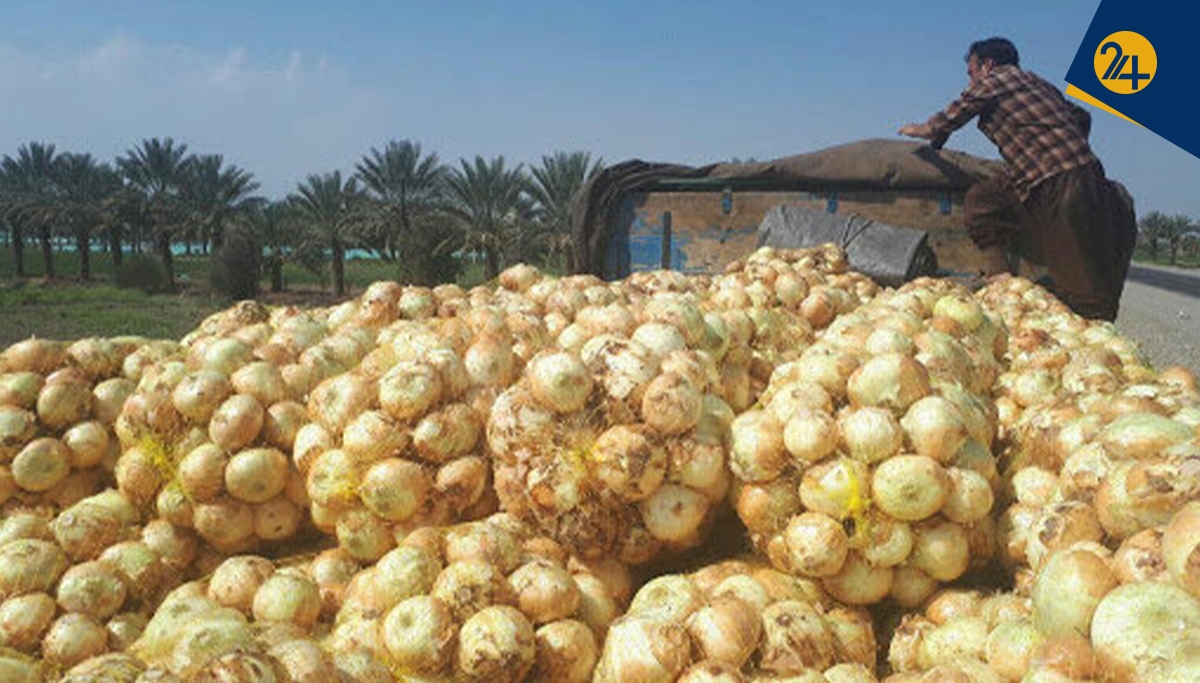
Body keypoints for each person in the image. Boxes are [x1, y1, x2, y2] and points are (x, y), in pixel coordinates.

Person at [899, 37, 1136, 320]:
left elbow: (958, 110)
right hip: (1067, 173)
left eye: (971, 73)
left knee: (1077, 283)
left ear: (987, 65)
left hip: (1060, 182)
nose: (970, 81)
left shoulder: (996, 80)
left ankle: (1094, 329)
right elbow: (1082, 117)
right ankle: (1001, 281)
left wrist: (925, 129)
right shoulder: (1038, 83)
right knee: (984, 199)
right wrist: (1063, 144)